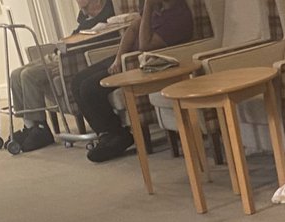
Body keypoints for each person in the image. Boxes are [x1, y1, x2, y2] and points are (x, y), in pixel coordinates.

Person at [71, 0, 194, 163]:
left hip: (141, 62)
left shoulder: (179, 17)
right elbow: (132, 29)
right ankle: (106, 134)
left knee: (89, 87)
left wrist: (149, 7)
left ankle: (117, 135)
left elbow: (145, 45)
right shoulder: (158, 10)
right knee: (76, 81)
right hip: (125, 58)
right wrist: (117, 59)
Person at [8, 0, 114, 152]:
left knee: (28, 75)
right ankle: (29, 126)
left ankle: (41, 128)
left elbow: (96, 35)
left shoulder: (108, 10)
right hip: (59, 53)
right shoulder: (84, 13)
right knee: (16, 73)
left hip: (69, 58)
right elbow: (78, 31)